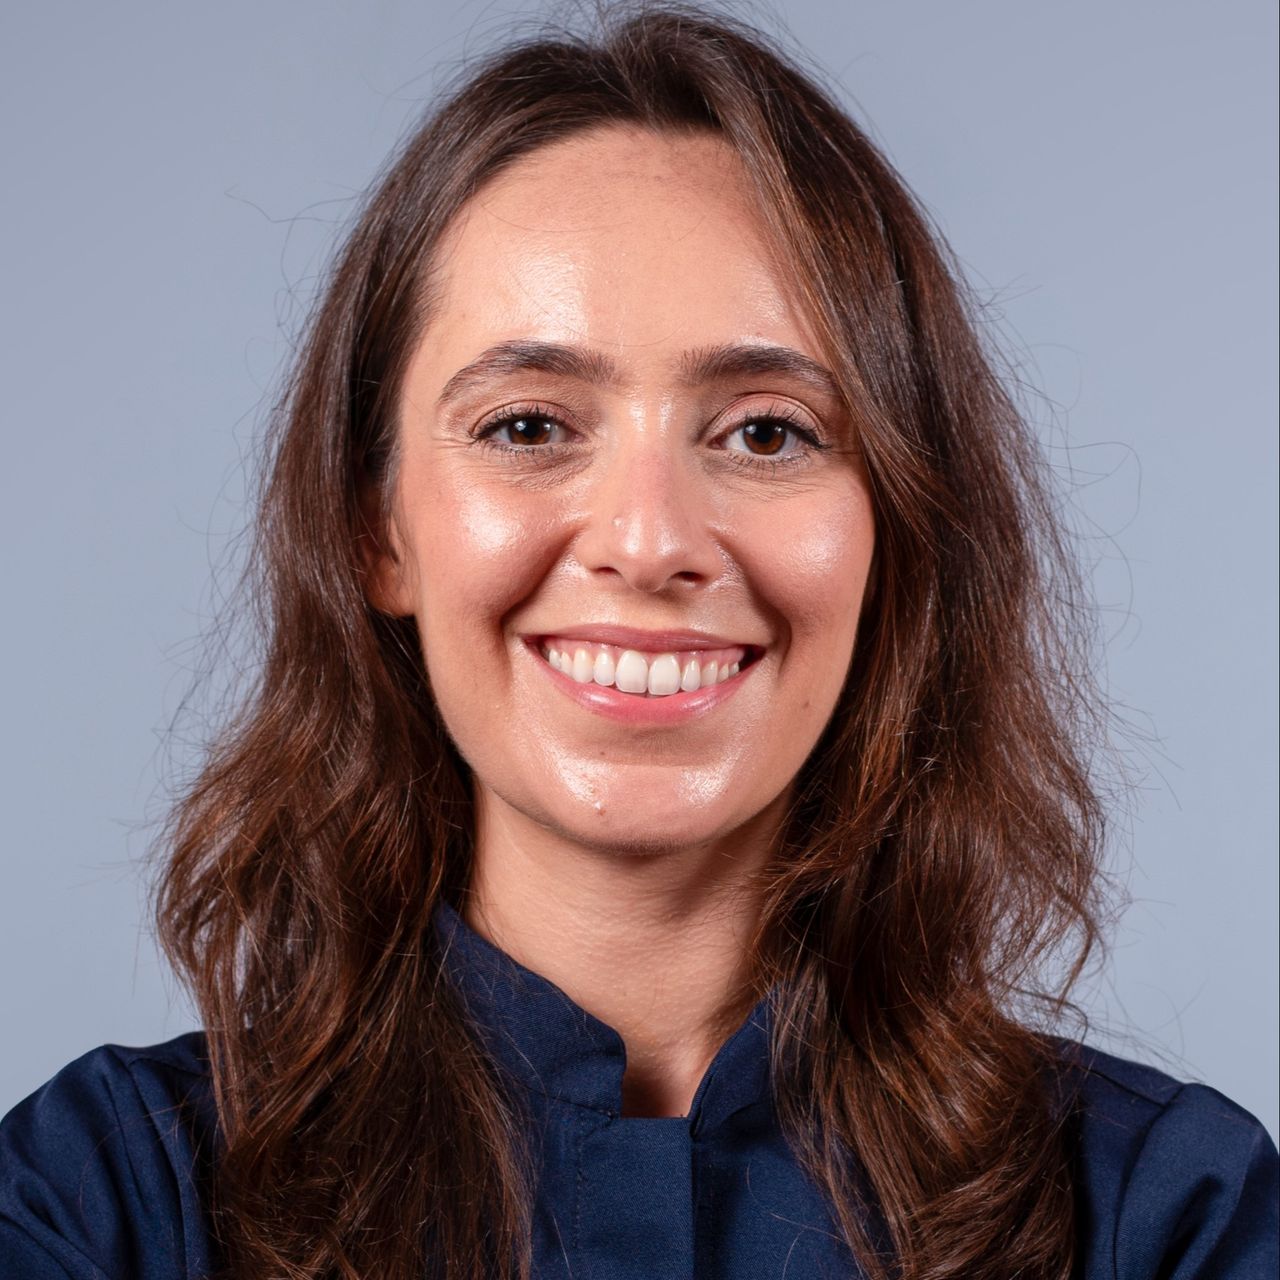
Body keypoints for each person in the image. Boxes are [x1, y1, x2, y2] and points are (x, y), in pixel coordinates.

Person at [1, 5, 1275, 1279]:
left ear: (896, 534)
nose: (649, 541)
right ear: (374, 528)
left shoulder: (1163, 1217)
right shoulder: (102, 1203)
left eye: (766, 432)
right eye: (526, 426)